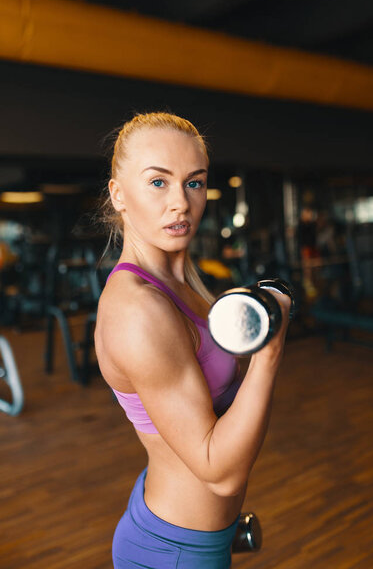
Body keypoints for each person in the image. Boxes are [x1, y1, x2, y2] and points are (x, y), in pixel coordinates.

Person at [94, 111, 291, 568]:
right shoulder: (138, 308)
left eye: (195, 182)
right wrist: (270, 351)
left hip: (197, 533)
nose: (180, 203)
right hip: (175, 551)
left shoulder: (186, 284)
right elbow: (218, 472)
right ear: (118, 194)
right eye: (158, 182)